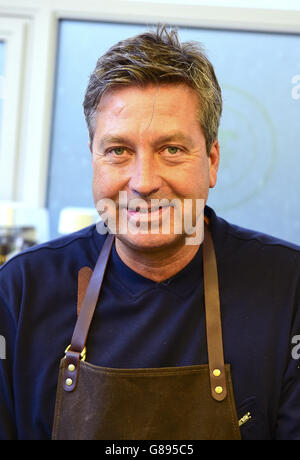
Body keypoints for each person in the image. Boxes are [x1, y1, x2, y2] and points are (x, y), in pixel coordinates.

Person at [0, 25, 300, 441]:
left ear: (212, 161)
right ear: (94, 160)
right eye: (118, 151)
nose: (143, 181)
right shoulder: (21, 291)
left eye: (172, 150)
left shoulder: (288, 287)